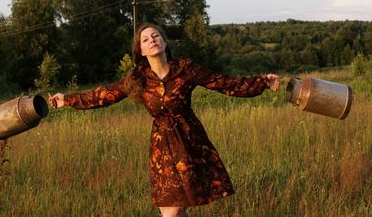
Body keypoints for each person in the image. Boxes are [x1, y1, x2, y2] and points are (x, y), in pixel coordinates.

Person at [49, 23, 280, 217]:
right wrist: (66, 100)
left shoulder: (185, 68)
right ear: (140, 51)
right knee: (172, 211)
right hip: (162, 148)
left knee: (174, 211)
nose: (152, 40)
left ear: (165, 42)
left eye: (155, 36)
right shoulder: (138, 78)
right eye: (145, 39)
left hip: (189, 142)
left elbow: (224, 83)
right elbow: (104, 95)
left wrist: (261, 82)